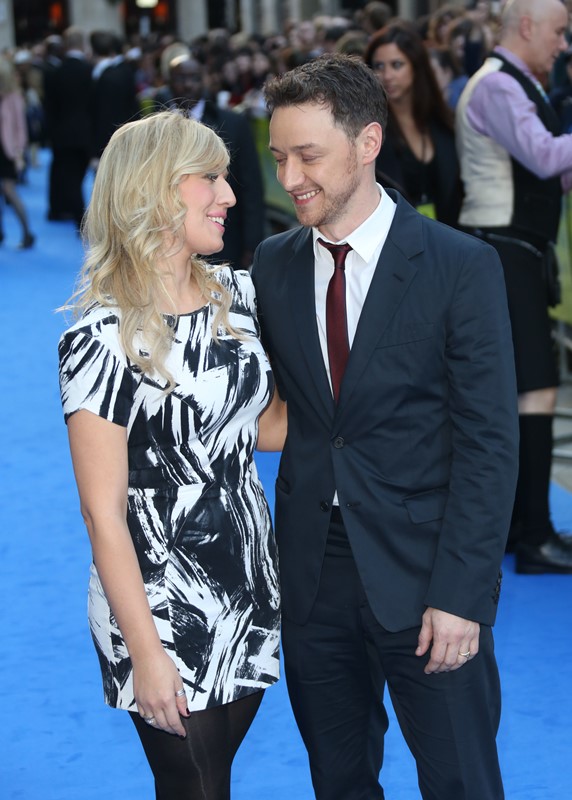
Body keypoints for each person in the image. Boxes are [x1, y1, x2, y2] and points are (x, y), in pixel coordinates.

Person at [252, 52, 518, 800]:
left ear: (367, 142)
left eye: (308, 155)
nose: (290, 177)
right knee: (338, 782)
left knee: (461, 782)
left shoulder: (459, 266)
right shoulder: (272, 264)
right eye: (279, 157)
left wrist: (463, 594)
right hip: (313, 575)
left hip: (428, 571)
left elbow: (491, 443)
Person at [58, 111, 285, 799]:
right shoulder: (101, 337)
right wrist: (147, 654)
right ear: (156, 188)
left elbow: (265, 429)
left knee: (213, 780)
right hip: (158, 599)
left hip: (248, 584)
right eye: (210, 177)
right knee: (194, 785)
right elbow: (102, 515)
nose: (231, 196)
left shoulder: (239, 296)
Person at [456, 0, 572, 573]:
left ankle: (522, 528)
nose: (563, 45)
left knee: (523, 391)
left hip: (513, 251)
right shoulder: (501, 85)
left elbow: (548, 167)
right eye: (559, 32)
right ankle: (534, 536)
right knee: (534, 391)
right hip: (504, 251)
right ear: (527, 27)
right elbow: (545, 155)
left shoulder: (511, 83)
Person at [154, 54, 265, 270]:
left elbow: (251, 186)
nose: (188, 85)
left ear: (204, 80)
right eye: (181, 78)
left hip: (224, 242)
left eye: (195, 78)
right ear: (168, 82)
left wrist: (252, 244)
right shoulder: (152, 127)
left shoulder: (233, 124)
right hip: (166, 242)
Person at [364, 20, 462, 227]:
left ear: (416, 67)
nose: (387, 75)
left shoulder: (443, 123)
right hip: (391, 236)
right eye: (379, 66)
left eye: (396, 65)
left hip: (444, 235)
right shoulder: (367, 131)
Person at [43, 26, 92, 228]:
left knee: (69, 176)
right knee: (78, 176)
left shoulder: (56, 72)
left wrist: (51, 133)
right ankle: (79, 217)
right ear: (82, 44)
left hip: (62, 134)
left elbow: (50, 107)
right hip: (86, 133)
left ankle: (72, 213)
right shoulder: (90, 70)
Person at [0, 56, 35, 248]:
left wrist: (20, 152)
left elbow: (21, 128)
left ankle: (27, 233)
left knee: (9, 190)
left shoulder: (13, 97)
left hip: (8, 151)